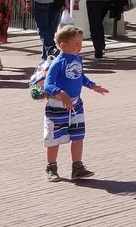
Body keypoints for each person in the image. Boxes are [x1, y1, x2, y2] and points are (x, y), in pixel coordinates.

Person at [41, 24, 109, 182]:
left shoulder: (77, 59)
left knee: (78, 136)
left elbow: (80, 76)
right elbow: (48, 85)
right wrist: (61, 94)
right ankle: (51, 167)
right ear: (63, 45)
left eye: (80, 42)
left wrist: (92, 85)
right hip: (57, 108)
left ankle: (77, 167)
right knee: (54, 138)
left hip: (76, 106)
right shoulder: (58, 63)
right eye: (76, 42)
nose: (80, 45)